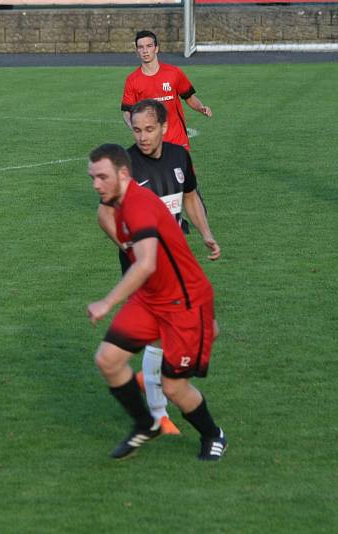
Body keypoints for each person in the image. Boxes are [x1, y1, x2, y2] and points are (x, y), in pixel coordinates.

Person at [86, 143, 226, 461]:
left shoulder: (137, 204)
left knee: (174, 387)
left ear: (123, 174)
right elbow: (107, 220)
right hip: (151, 299)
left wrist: (106, 303)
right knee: (107, 359)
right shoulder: (118, 201)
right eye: (92, 177)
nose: (96, 185)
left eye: (102, 177)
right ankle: (145, 423)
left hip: (184, 303)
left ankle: (213, 434)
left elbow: (146, 263)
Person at [121, 30, 212, 152]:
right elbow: (127, 112)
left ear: (156, 48)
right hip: (151, 143)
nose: (145, 50)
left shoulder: (174, 73)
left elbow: (189, 97)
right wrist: (135, 127)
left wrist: (200, 107)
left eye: (149, 46)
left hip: (177, 140)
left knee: (183, 171)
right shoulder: (132, 80)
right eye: (141, 47)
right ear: (137, 52)